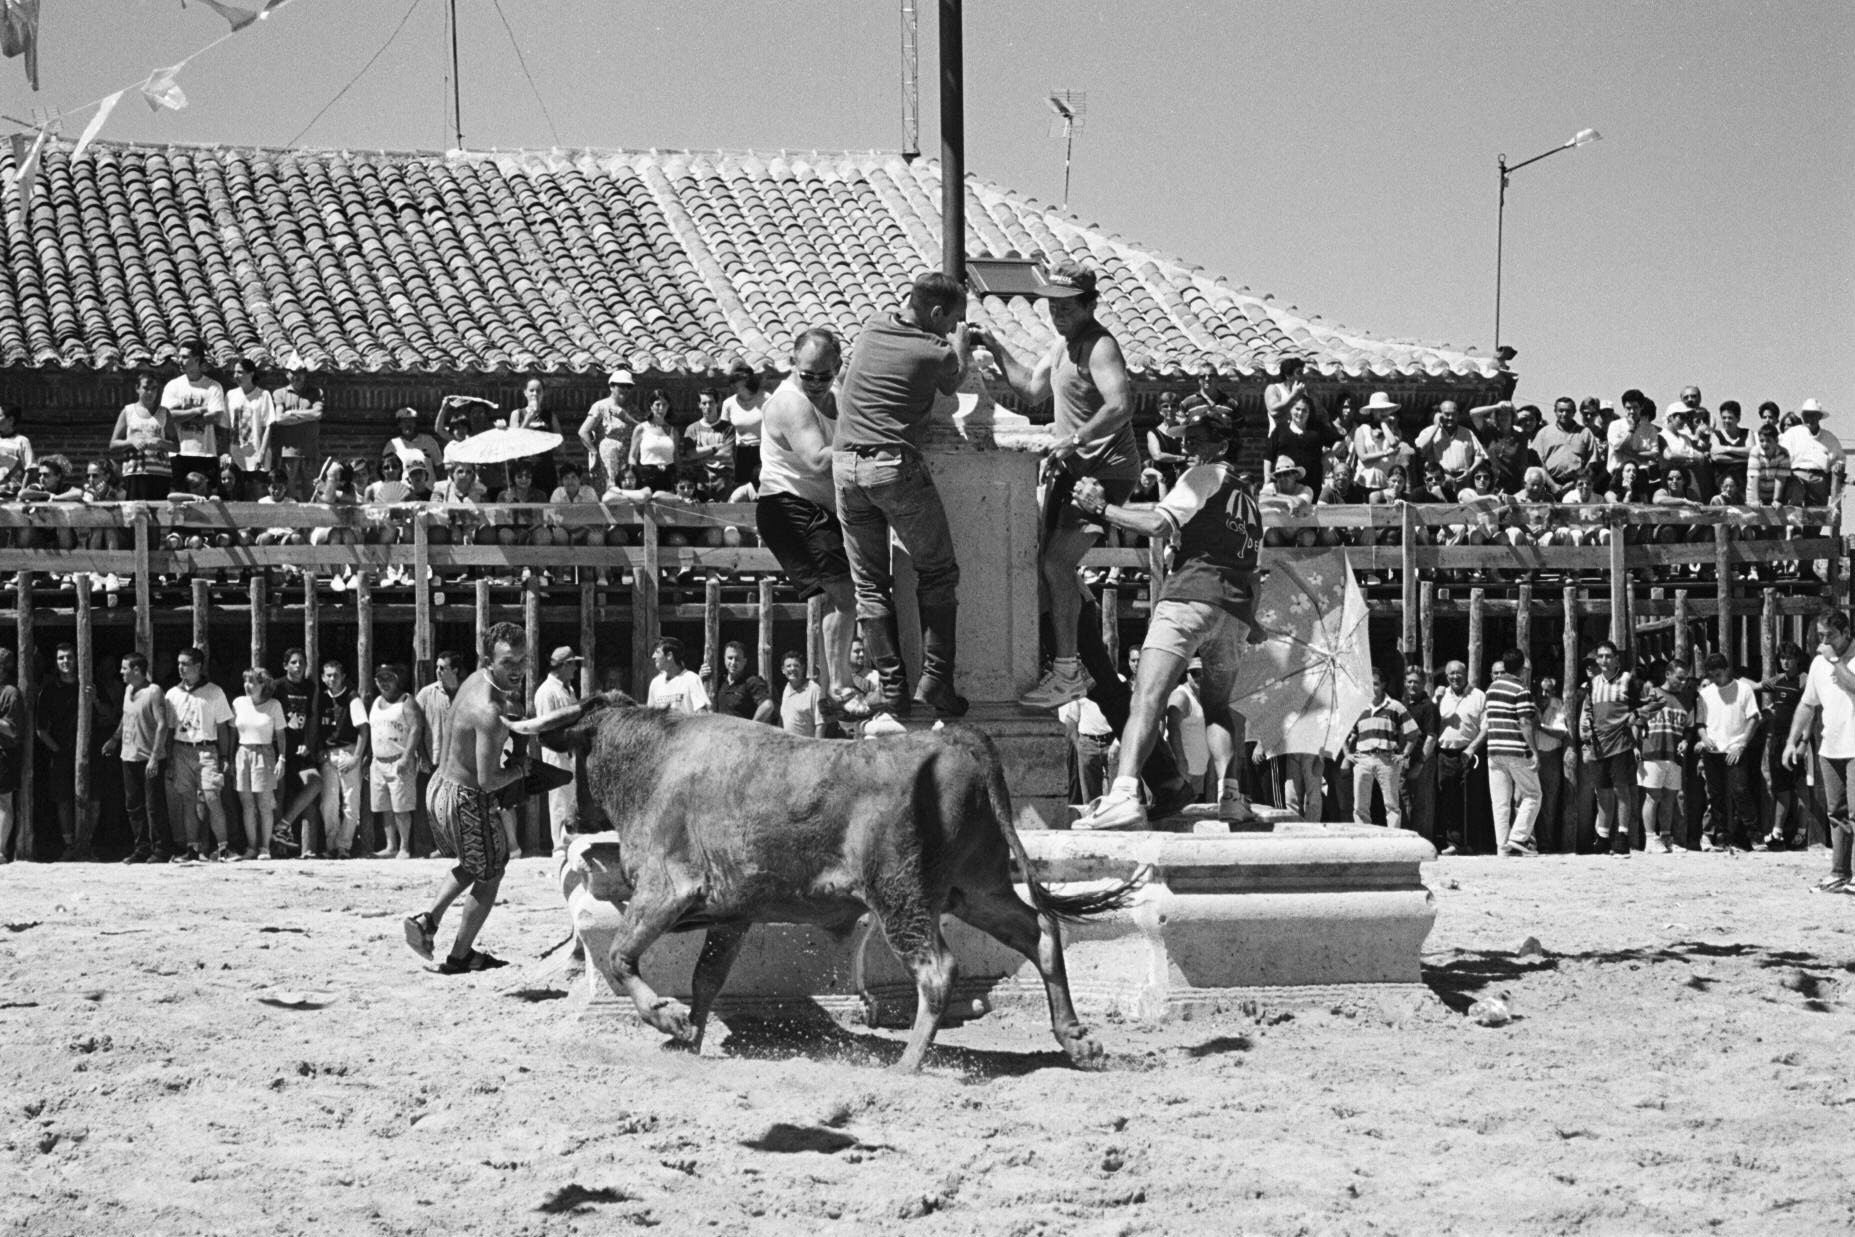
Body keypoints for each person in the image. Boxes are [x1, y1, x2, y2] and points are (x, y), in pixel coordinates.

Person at [1070, 402, 1263, 830]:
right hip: (1233, 612)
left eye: (1198, 439)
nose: (1188, 446)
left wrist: (1100, 508)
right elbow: (1253, 569)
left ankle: (1123, 795)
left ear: (1222, 444)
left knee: (1147, 696)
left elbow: (1157, 525)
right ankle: (1230, 797)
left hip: (1190, 597)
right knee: (1216, 705)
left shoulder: (1203, 475)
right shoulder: (1247, 498)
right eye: (1186, 439)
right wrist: (1254, 621)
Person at [979, 261, 1141, 710]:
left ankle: (1068, 670)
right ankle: (1074, 634)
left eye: (1068, 305)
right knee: (1048, 567)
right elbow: (1030, 390)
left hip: (1105, 470)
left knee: (1054, 562)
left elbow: (1122, 404)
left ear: (1090, 304)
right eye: (1052, 304)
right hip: (1074, 470)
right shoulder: (1062, 344)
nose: (1058, 312)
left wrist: (1075, 438)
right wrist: (994, 347)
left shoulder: (1100, 346)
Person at [833, 270, 972, 717]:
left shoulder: (871, 326)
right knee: (937, 572)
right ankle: (935, 681)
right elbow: (954, 382)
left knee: (869, 584)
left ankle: (892, 688)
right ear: (935, 313)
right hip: (892, 466)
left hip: (845, 466)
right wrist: (963, 344)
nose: (953, 328)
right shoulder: (935, 349)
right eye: (952, 320)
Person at [403, 621, 529, 974]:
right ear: (488, 660)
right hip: (467, 797)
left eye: (522, 660)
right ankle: (460, 956)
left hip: (440, 789)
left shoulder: (476, 679)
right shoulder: (488, 711)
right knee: (491, 873)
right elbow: (489, 780)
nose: (517, 669)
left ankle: (427, 920)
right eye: (508, 662)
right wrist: (522, 770)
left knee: (475, 862)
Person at [756, 328, 863, 715]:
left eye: (825, 375)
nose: (816, 383)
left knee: (848, 597)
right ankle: (839, 686)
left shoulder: (835, 397)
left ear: (838, 368)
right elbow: (818, 460)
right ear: (792, 365)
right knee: (846, 594)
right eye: (808, 375)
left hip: (817, 508)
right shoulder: (791, 403)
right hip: (788, 506)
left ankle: (835, 684)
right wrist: (876, 442)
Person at [1782, 611, 1855, 893]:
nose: (1824, 642)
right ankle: (1839, 872)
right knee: (1836, 812)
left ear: (1846, 632)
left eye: (1830, 636)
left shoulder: (1839, 659)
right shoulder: (1817, 664)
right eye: (1820, 636)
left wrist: (1835, 661)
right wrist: (1792, 741)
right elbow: (1807, 704)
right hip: (1831, 746)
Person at [1467, 649, 1541, 856]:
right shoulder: (1521, 689)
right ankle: (1518, 837)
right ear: (1521, 667)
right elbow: (1525, 723)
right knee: (1533, 794)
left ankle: (1502, 847)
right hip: (1516, 749)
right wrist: (1534, 751)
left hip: (1494, 749)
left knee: (1500, 801)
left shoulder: (1491, 689)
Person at [165, 646, 235, 863]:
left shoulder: (214, 692)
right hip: (181, 749)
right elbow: (169, 729)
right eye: (179, 663)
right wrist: (169, 758)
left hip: (207, 750)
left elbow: (223, 727)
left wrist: (224, 756)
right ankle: (192, 848)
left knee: (213, 798)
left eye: (185, 664)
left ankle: (223, 848)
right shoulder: (172, 694)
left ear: (197, 666)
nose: (180, 668)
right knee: (188, 801)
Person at [105, 653, 170, 864]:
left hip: (149, 757)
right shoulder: (128, 690)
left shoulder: (154, 691)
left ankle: (160, 850)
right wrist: (114, 739)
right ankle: (141, 849)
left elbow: (162, 724)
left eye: (125, 669)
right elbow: (127, 716)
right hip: (129, 756)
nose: (121, 673)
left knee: (154, 806)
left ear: (136, 670)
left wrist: (154, 757)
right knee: (133, 805)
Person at [1695, 653, 1762, 853]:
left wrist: (1742, 744)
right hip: (1713, 751)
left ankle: (1753, 835)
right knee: (1715, 795)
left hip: (1735, 749)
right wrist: (1705, 739)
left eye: (1718, 674)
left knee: (1740, 791)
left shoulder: (1744, 689)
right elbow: (1700, 723)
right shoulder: (1706, 693)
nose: (1715, 679)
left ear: (1727, 670)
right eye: (1712, 675)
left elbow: (1753, 718)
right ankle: (1722, 835)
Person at [1581, 640, 1640, 857]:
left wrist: (1633, 726)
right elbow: (1589, 711)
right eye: (1601, 656)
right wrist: (1587, 726)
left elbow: (1641, 707)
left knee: (1622, 790)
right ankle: (1603, 838)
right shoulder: (1592, 684)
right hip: (1599, 746)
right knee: (1603, 791)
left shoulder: (1627, 680)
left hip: (1621, 744)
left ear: (1616, 659)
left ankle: (1622, 837)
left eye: (1608, 656)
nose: (1604, 660)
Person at [1343, 667, 1420, 830]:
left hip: (1387, 760)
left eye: (1376, 684)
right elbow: (1344, 732)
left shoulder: (1395, 706)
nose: (1372, 688)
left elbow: (1413, 733)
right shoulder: (1359, 707)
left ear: (1384, 684)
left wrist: (1404, 754)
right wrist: (1346, 753)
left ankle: (1392, 840)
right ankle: (1363, 839)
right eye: (1369, 684)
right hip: (1363, 759)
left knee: (1392, 805)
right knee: (1359, 806)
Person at [34, 643, 88, 860]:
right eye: (61, 658)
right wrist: (58, 751)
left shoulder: (87, 686)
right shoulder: (49, 691)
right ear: (56, 663)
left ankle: (86, 843)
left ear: (77, 659)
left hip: (87, 751)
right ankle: (68, 844)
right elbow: (40, 729)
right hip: (60, 753)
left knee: (90, 797)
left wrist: (94, 699)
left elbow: (109, 714)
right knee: (63, 799)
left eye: (69, 657)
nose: (66, 662)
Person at [313, 657, 369, 860]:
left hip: (347, 752)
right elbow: (317, 729)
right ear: (323, 677)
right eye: (328, 675)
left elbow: (363, 729)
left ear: (343, 677)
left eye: (336, 675)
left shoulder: (352, 699)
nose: (332, 679)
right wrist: (319, 749)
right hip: (328, 754)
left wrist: (356, 758)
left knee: (350, 802)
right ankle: (331, 845)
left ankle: (345, 846)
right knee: (328, 802)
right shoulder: (322, 699)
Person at [1636, 660, 1692, 853]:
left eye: (1685, 679)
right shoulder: (1654, 694)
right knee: (1652, 796)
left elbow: (1688, 728)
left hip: (1674, 754)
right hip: (1653, 751)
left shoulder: (1685, 699)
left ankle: (1667, 837)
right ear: (1668, 674)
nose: (1683, 682)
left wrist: (1686, 740)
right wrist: (1636, 746)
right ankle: (1650, 839)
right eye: (1679, 678)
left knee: (1669, 798)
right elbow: (1638, 720)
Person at [231, 667, 287, 860]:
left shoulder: (274, 705)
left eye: (253, 682)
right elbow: (232, 732)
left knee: (264, 804)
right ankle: (251, 847)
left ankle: (265, 847)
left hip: (264, 753)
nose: (248, 686)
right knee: (247, 805)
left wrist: (282, 758)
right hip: (242, 752)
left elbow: (280, 734)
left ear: (264, 684)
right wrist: (230, 757)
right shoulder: (238, 703)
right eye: (246, 681)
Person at [272, 648, 321, 856]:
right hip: (281, 749)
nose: (298, 666)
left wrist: (308, 743)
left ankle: (282, 828)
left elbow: (311, 718)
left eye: (302, 662)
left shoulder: (310, 687)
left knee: (314, 783)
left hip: (301, 749)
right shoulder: (277, 686)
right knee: (279, 795)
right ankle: (277, 848)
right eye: (293, 662)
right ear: (285, 665)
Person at [415, 650, 465, 853]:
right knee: (433, 806)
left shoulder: (466, 693)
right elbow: (416, 727)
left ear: (455, 670)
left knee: (458, 806)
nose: (437, 671)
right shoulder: (427, 694)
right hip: (434, 758)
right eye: (437, 667)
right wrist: (422, 756)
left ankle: (457, 846)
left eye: (442, 668)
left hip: (461, 760)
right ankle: (436, 846)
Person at [532, 647, 582, 852]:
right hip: (557, 752)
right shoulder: (546, 691)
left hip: (571, 752)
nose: (576, 669)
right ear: (563, 666)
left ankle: (570, 842)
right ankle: (559, 847)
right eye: (573, 664)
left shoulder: (568, 689)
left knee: (571, 798)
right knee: (559, 800)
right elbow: (547, 728)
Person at [1433, 660, 1484, 856]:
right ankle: (1453, 842)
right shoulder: (1440, 695)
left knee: (1471, 798)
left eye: (1459, 673)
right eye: (1451, 674)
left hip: (1469, 752)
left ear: (1466, 674)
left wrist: (1471, 749)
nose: (1455, 677)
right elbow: (1431, 724)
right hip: (1445, 754)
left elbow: (1485, 726)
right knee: (1448, 798)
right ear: (1446, 676)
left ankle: (1472, 843)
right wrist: (1435, 701)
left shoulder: (1478, 696)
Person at [1759, 642, 1806, 849]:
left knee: (1800, 787)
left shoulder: (1804, 681)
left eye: (1790, 658)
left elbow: (1810, 711)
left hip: (1795, 741)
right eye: (1782, 658)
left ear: (1797, 659)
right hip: (1777, 741)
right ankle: (1777, 833)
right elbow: (1756, 686)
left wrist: (1803, 742)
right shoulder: (1778, 680)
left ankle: (1803, 833)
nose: (1785, 662)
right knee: (1780, 787)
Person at [162, 342, 228, 487]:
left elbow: (215, 417)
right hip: (178, 453)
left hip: (205, 453)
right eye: (179, 357)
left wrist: (181, 413)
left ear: (197, 360)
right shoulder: (173, 386)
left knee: (207, 498)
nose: (180, 360)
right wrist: (197, 411)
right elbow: (167, 416)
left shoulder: (213, 387)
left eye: (185, 357)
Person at [108, 373, 178, 502]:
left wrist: (161, 442)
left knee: (159, 514)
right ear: (137, 388)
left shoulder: (164, 413)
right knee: (136, 513)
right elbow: (113, 445)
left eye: (154, 389)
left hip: (160, 473)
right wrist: (131, 442)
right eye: (146, 388)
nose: (150, 393)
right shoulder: (128, 412)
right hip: (135, 473)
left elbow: (176, 446)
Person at [268, 360, 323, 500]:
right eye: (292, 373)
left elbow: (317, 414)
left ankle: (312, 520)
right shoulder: (279, 393)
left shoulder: (316, 392)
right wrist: (307, 415)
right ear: (287, 374)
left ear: (305, 374)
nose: (296, 376)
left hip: (310, 450)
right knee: (289, 489)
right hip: (288, 451)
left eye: (299, 373)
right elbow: (279, 418)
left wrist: (292, 414)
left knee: (311, 489)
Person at [1532, 674, 1573, 853]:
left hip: (1550, 757)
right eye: (1540, 690)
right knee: (1528, 801)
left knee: (1549, 803)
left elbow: (1561, 733)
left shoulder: (1558, 705)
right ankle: (1530, 842)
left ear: (1553, 692)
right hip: (1529, 757)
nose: (1543, 694)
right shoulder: (1529, 704)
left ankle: (1546, 844)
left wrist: (1539, 726)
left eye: (1547, 691)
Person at [1401, 665, 1441, 843]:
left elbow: (1431, 737)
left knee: (1422, 803)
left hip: (1423, 760)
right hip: (1404, 759)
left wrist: (1420, 763)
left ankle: (1424, 842)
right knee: (1404, 801)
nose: (1412, 685)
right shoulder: (1403, 705)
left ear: (1424, 683)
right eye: (1409, 681)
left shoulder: (1429, 707)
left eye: (1416, 682)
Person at [578, 370, 637, 489]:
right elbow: (583, 432)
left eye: (628, 386)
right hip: (606, 459)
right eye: (621, 385)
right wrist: (594, 453)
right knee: (608, 490)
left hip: (627, 459)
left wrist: (626, 417)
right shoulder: (600, 406)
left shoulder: (632, 409)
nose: (625, 389)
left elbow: (643, 429)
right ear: (612, 386)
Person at [1415, 401, 1487, 493]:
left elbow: (1480, 455)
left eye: (1454, 414)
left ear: (1458, 415)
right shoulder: (1428, 432)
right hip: (1439, 481)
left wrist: (1470, 471)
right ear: (1439, 415)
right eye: (1447, 414)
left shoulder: (1467, 433)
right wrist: (1436, 426)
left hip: (1464, 482)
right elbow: (1421, 450)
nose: (1450, 418)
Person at [1532, 396, 1599, 490]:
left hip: (1577, 485)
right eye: (1561, 411)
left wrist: (1574, 482)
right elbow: (1538, 462)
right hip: (1548, 485)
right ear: (1555, 411)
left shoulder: (1585, 433)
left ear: (1574, 412)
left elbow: (1591, 462)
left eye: (1568, 411)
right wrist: (1552, 485)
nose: (1564, 414)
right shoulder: (1544, 433)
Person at [684, 388, 736, 500]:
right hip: (700, 479)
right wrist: (715, 447)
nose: (708, 406)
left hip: (723, 479)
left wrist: (700, 453)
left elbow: (726, 455)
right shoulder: (692, 429)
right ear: (699, 405)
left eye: (711, 402)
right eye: (704, 403)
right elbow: (690, 455)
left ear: (717, 403)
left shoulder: (727, 428)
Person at [723, 361, 768, 490]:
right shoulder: (729, 404)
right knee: (742, 488)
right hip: (740, 453)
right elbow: (725, 434)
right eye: (734, 380)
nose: (736, 384)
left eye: (740, 380)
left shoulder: (766, 399)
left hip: (762, 450)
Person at [627, 389, 679, 493]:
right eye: (658, 404)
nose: (661, 408)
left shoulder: (673, 431)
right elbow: (632, 456)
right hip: (646, 476)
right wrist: (633, 475)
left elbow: (675, 457)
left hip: (668, 476)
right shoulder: (641, 428)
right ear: (651, 406)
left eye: (664, 405)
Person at [711, 640, 773, 724]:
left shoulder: (751, 681)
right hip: (721, 733)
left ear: (744, 662)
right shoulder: (719, 681)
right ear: (724, 659)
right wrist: (702, 677)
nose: (733, 662)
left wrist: (751, 727)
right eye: (730, 658)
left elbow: (767, 705)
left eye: (737, 659)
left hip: (741, 735)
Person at [645, 637, 709, 714]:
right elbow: (650, 716)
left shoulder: (692, 679)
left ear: (669, 655)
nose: (653, 656)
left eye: (657, 652)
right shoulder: (655, 683)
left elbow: (702, 714)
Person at [382, 406, 444, 480]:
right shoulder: (392, 445)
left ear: (415, 423)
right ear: (399, 424)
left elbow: (439, 466)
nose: (408, 425)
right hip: (404, 489)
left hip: (428, 489)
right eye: (404, 422)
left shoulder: (428, 441)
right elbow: (385, 469)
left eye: (411, 421)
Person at [0, 649, 20, 863]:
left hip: (3, 753)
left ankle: (1, 851)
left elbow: (13, 729)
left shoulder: (10, 693)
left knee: (4, 801)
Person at [775, 651, 824, 737]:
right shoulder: (787, 688)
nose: (792, 669)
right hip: (789, 746)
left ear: (803, 668)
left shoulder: (814, 689)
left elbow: (821, 724)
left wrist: (816, 747)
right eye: (788, 666)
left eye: (796, 665)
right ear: (783, 670)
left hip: (808, 747)